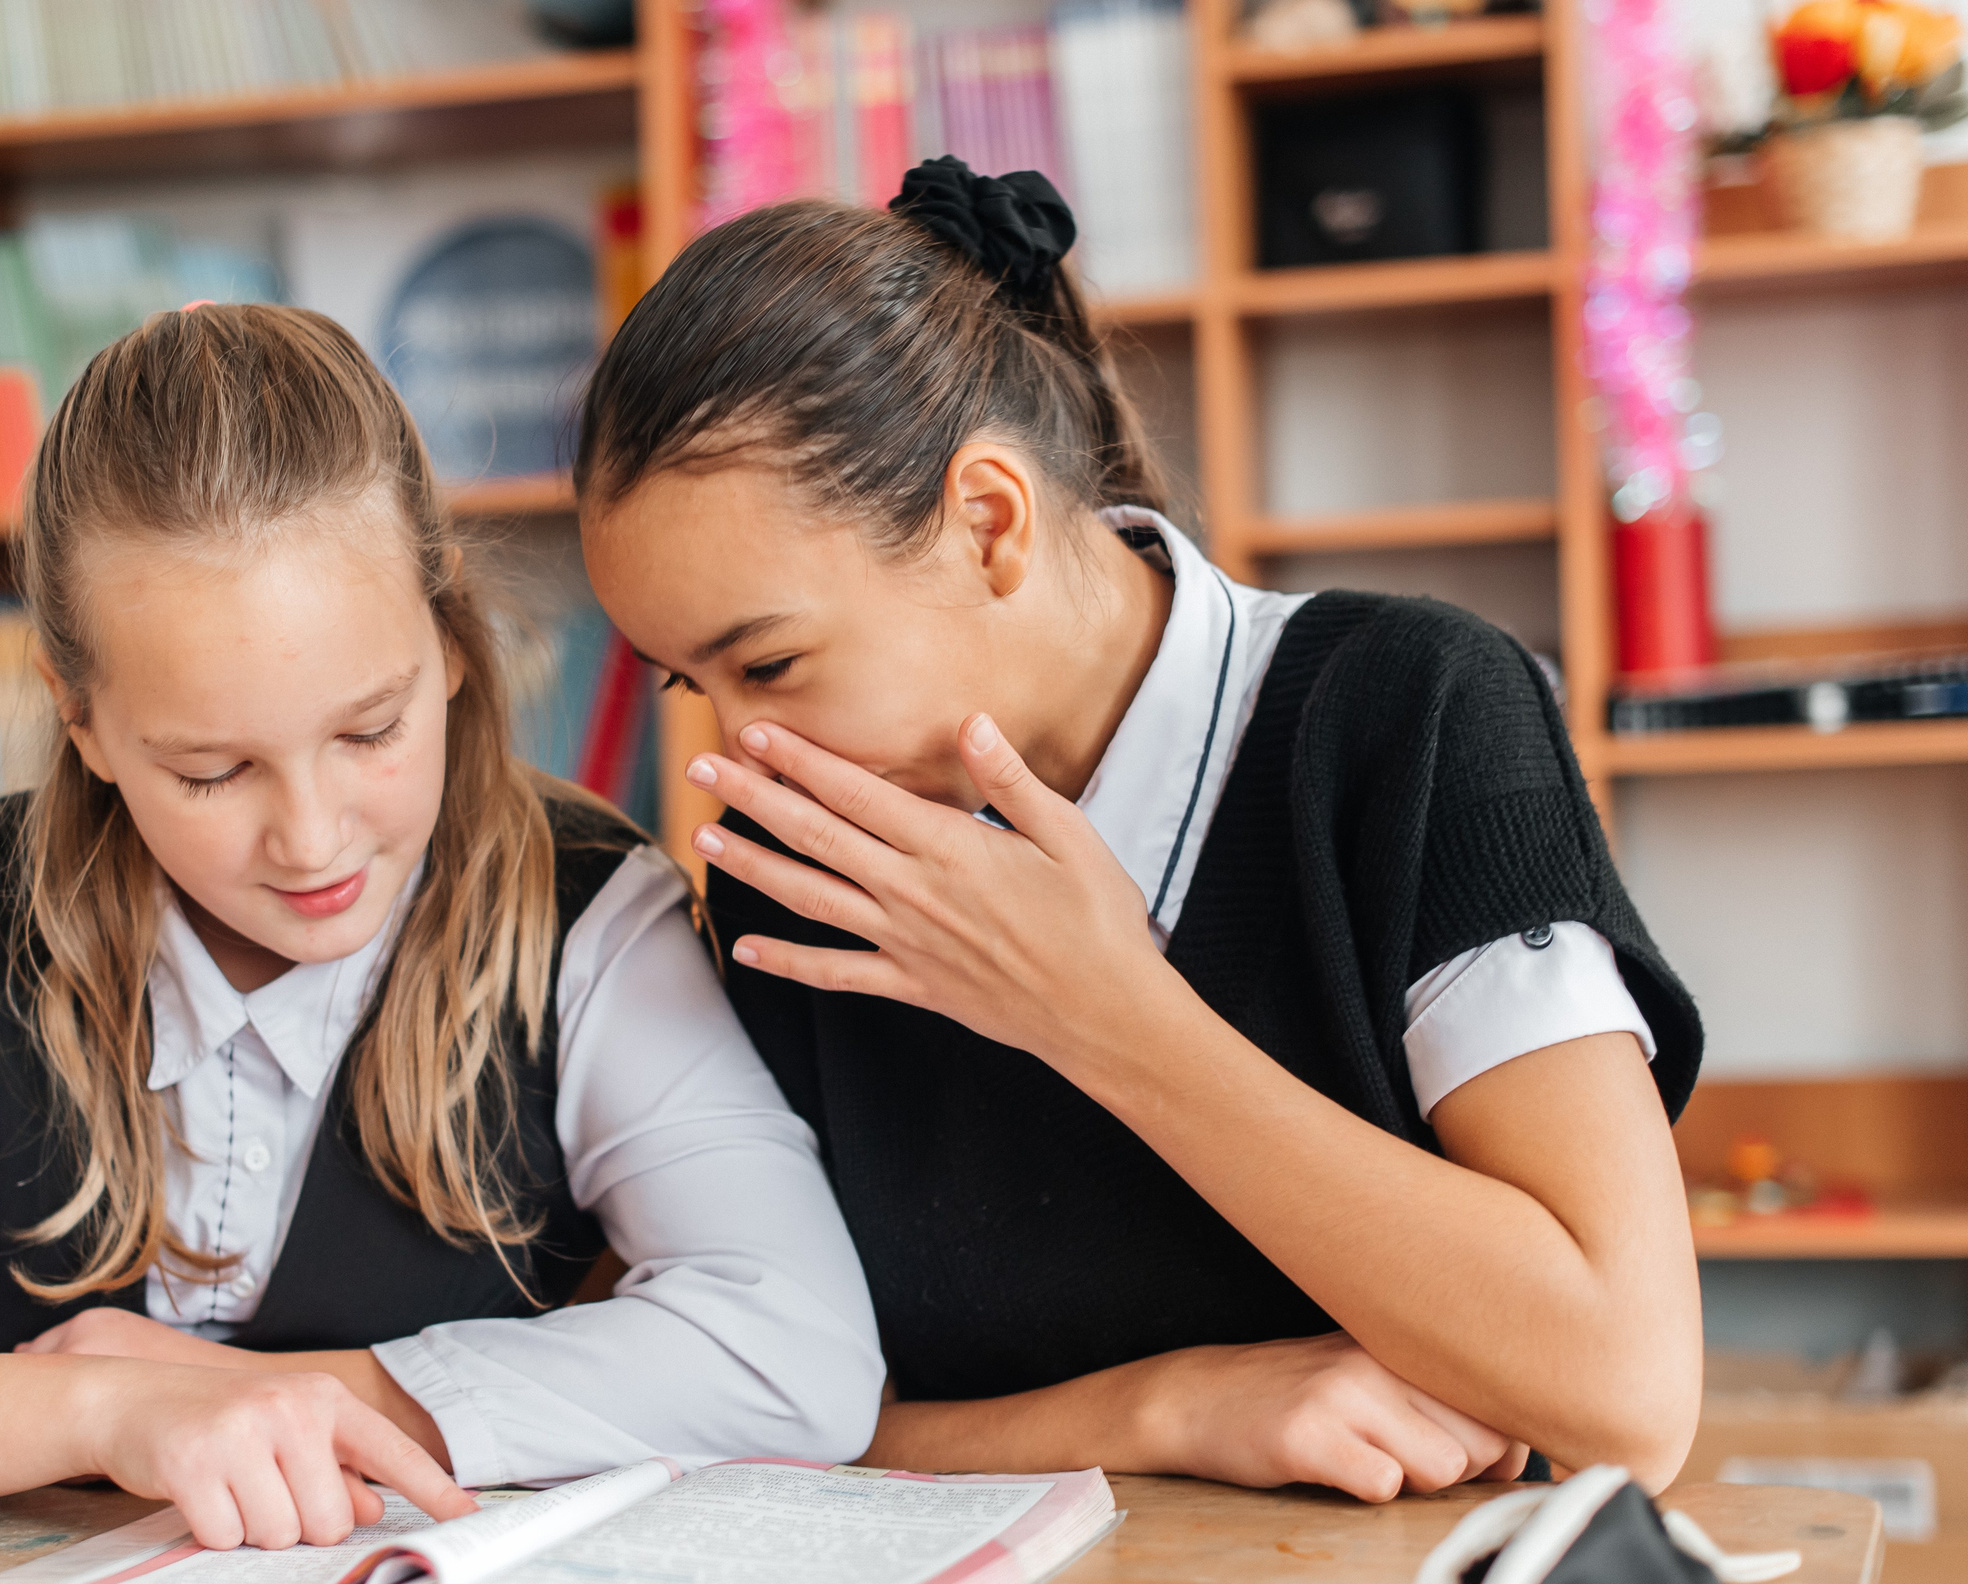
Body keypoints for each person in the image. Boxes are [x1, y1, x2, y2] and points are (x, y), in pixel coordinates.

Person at [0, 305, 882, 1547]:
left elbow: (799, 1354)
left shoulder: (594, 914)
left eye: (369, 731)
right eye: (212, 773)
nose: (312, 838)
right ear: (81, 717)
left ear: (450, 641)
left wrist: (294, 1398)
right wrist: (106, 1408)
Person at [572, 158, 1706, 1504]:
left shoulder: (1411, 717)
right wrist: (1167, 1409)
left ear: (986, 523)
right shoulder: (797, 878)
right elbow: (751, 1406)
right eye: (689, 686)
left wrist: (1107, 1018)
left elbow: (1626, 1388)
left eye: (767, 666)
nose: (733, 754)